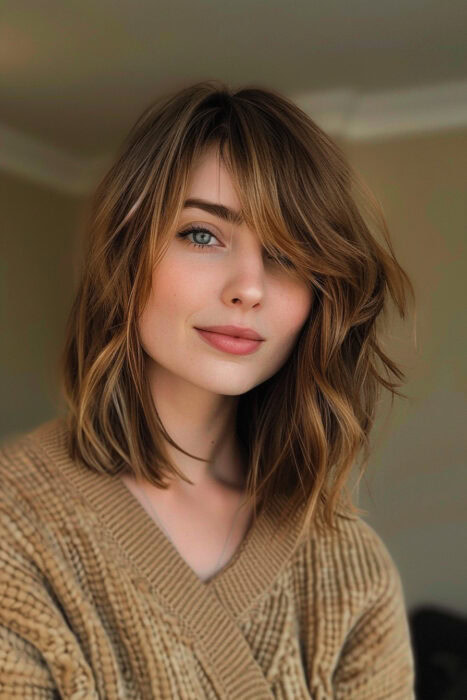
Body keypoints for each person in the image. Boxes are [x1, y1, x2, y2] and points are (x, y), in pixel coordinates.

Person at [0, 80, 416, 698]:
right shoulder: (15, 528)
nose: (249, 286)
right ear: (126, 253)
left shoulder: (351, 566)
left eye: (287, 253)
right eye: (202, 234)